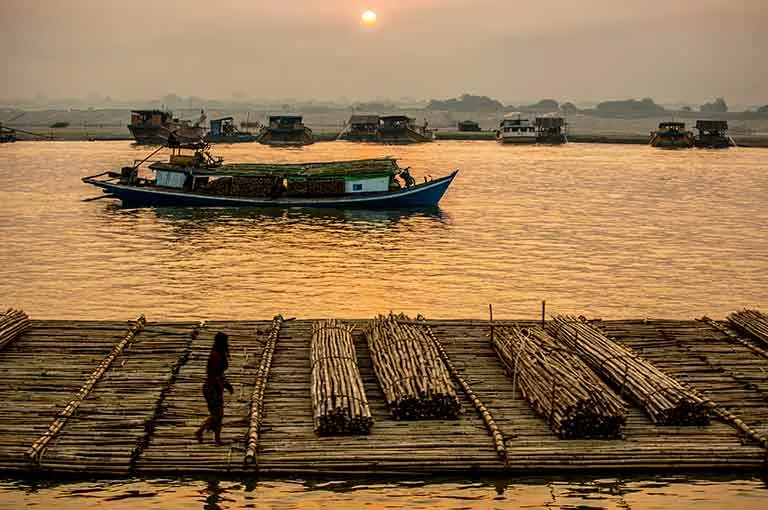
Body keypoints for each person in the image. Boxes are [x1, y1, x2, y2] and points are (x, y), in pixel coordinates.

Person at [196, 332, 234, 445]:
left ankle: (216, 438)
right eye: (225, 342)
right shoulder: (215, 355)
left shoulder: (220, 354)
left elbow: (219, 374)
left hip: (217, 386)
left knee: (219, 414)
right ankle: (201, 431)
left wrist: (226, 385)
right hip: (212, 388)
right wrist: (220, 385)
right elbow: (213, 374)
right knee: (217, 414)